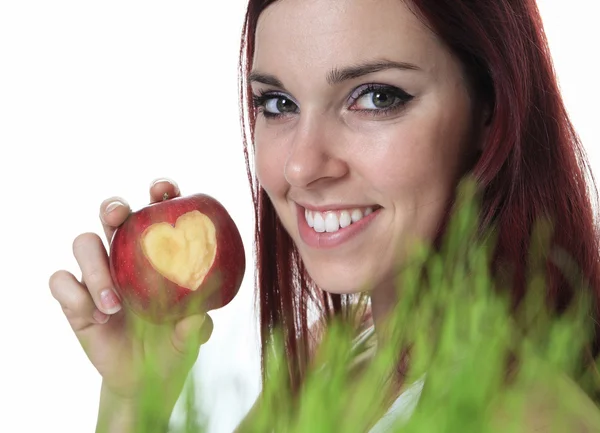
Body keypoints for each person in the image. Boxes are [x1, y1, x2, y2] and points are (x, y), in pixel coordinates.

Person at [49, 0, 600, 431]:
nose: (300, 166)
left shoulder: (529, 418)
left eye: (376, 97)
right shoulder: (338, 352)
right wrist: (134, 399)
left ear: (490, 110)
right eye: (278, 104)